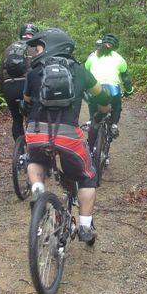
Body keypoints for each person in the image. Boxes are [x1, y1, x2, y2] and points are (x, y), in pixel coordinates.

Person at [23, 28, 111, 242]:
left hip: (36, 134)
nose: (37, 51)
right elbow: (103, 97)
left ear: (52, 46)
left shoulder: (34, 71)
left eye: (40, 46)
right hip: (68, 137)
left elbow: (26, 101)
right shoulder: (80, 71)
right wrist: (103, 111)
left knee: (35, 160)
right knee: (88, 176)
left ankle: (38, 189)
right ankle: (85, 227)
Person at [85, 33, 132, 143]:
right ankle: (114, 125)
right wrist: (129, 91)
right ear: (115, 47)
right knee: (117, 105)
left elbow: (86, 73)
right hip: (113, 90)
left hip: (95, 89)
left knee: (93, 107)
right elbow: (126, 78)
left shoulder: (92, 56)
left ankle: (92, 121)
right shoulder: (119, 58)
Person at [0, 23, 39, 141]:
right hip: (27, 86)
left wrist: (3, 91)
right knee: (32, 117)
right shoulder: (37, 48)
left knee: (16, 119)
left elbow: (1, 73)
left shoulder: (9, 48)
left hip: (9, 87)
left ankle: (19, 149)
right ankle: (31, 148)